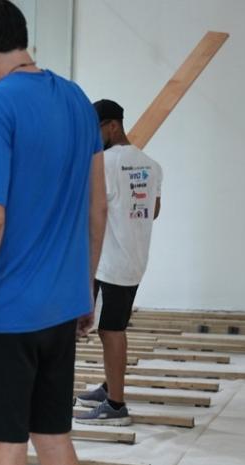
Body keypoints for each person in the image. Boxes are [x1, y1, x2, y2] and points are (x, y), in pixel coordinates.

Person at [0, 2, 107, 465]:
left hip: (4, 312)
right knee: (51, 435)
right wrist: (84, 289)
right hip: (60, 308)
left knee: (4, 444)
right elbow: (99, 208)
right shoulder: (76, 99)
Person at [74, 99, 163, 426]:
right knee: (113, 328)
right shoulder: (151, 165)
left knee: (111, 331)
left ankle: (115, 406)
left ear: (112, 126)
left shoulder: (105, 164)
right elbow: (154, 211)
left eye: (95, 130)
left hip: (110, 263)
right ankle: (111, 386)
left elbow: (93, 211)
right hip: (135, 260)